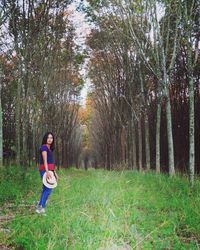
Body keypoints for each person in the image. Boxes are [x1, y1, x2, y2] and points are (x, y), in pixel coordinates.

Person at [36, 132, 58, 214]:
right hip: (45, 170)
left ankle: (40, 206)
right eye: (48, 137)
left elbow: (50, 162)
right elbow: (45, 161)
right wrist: (47, 171)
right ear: (45, 138)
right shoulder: (44, 147)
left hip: (50, 170)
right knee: (48, 189)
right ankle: (41, 207)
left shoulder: (50, 149)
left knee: (46, 189)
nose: (50, 139)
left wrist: (54, 172)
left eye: (51, 138)